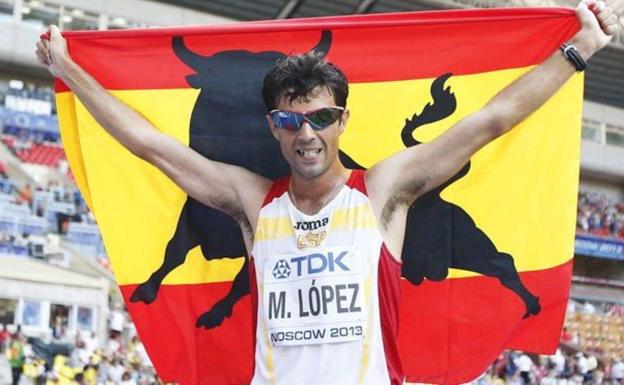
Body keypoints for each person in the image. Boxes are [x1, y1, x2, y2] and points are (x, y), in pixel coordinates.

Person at [35, 1, 618, 384]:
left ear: (342, 121)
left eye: (320, 118)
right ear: (273, 127)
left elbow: (489, 121)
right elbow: (149, 145)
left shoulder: (383, 191)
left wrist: (580, 50)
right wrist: (68, 69)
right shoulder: (252, 201)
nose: (306, 134)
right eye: (291, 122)